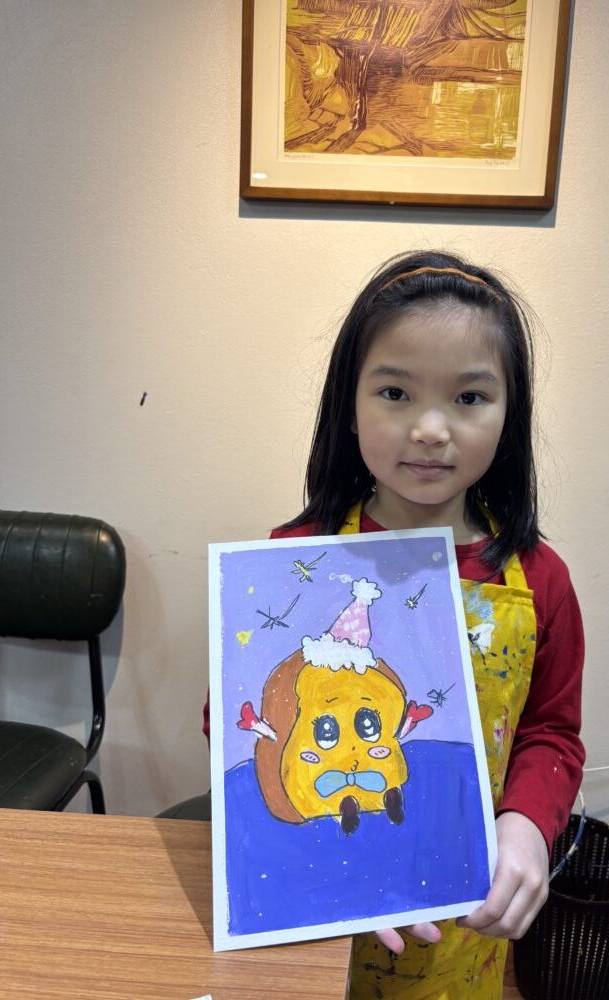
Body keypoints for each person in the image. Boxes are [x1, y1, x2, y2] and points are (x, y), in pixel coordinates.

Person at [203, 250, 584, 999]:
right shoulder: (292, 559)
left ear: (509, 417)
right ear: (349, 407)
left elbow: (551, 732)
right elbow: (234, 721)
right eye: (395, 392)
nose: (431, 429)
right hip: (322, 893)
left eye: (469, 397)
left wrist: (528, 825)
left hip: (463, 914)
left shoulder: (540, 579)